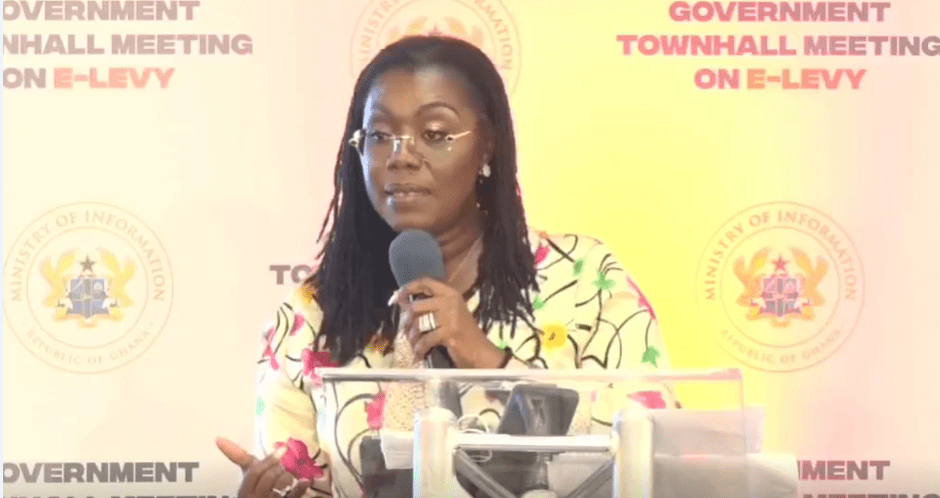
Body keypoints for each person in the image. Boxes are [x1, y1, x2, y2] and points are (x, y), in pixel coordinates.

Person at [216, 35, 677, 498]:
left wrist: (488, 361)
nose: (401, 156)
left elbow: (659, 449)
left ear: (487, 146)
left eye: (435, 134)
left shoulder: (584, 282)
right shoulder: (312, 315)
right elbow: (305, 483)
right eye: (379, 136)